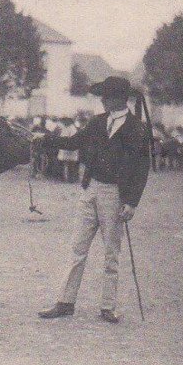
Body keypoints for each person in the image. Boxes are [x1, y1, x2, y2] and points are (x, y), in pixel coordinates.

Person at [38, 77, 150, 324]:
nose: (103, 100)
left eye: (107, 96)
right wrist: (46, 139)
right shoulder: (98, 123)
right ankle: (65, 302)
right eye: (103, 96)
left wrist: (131, 202)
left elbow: (142, 167)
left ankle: (107, 306)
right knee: (77, 248)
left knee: (111, 252)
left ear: (121, 98)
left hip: (115, 194)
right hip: (91, 189)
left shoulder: (136, 128)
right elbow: (74, 143)